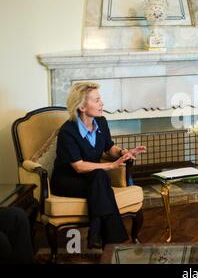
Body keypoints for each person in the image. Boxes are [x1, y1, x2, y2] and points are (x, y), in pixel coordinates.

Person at [51, 82, 146, 249]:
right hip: (67, 180)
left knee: (99, 176)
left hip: (93, 177)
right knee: (101, 176)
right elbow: (79, 167)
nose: (102, 103)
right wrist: (111, 166)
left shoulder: (101, 122)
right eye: (96, 100)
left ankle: (96, 234)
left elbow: (109, 148)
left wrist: (124, 152)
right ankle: (114, 240)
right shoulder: (68, 131)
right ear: (81, 106)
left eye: (100, 99)